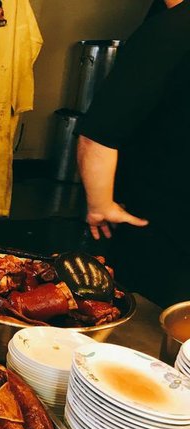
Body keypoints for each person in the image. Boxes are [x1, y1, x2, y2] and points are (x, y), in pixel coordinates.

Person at [76, 0, 190, 308]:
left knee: (149, 314)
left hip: (162, 221)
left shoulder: (173, 27)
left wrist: (99, 204)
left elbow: (99, 133)